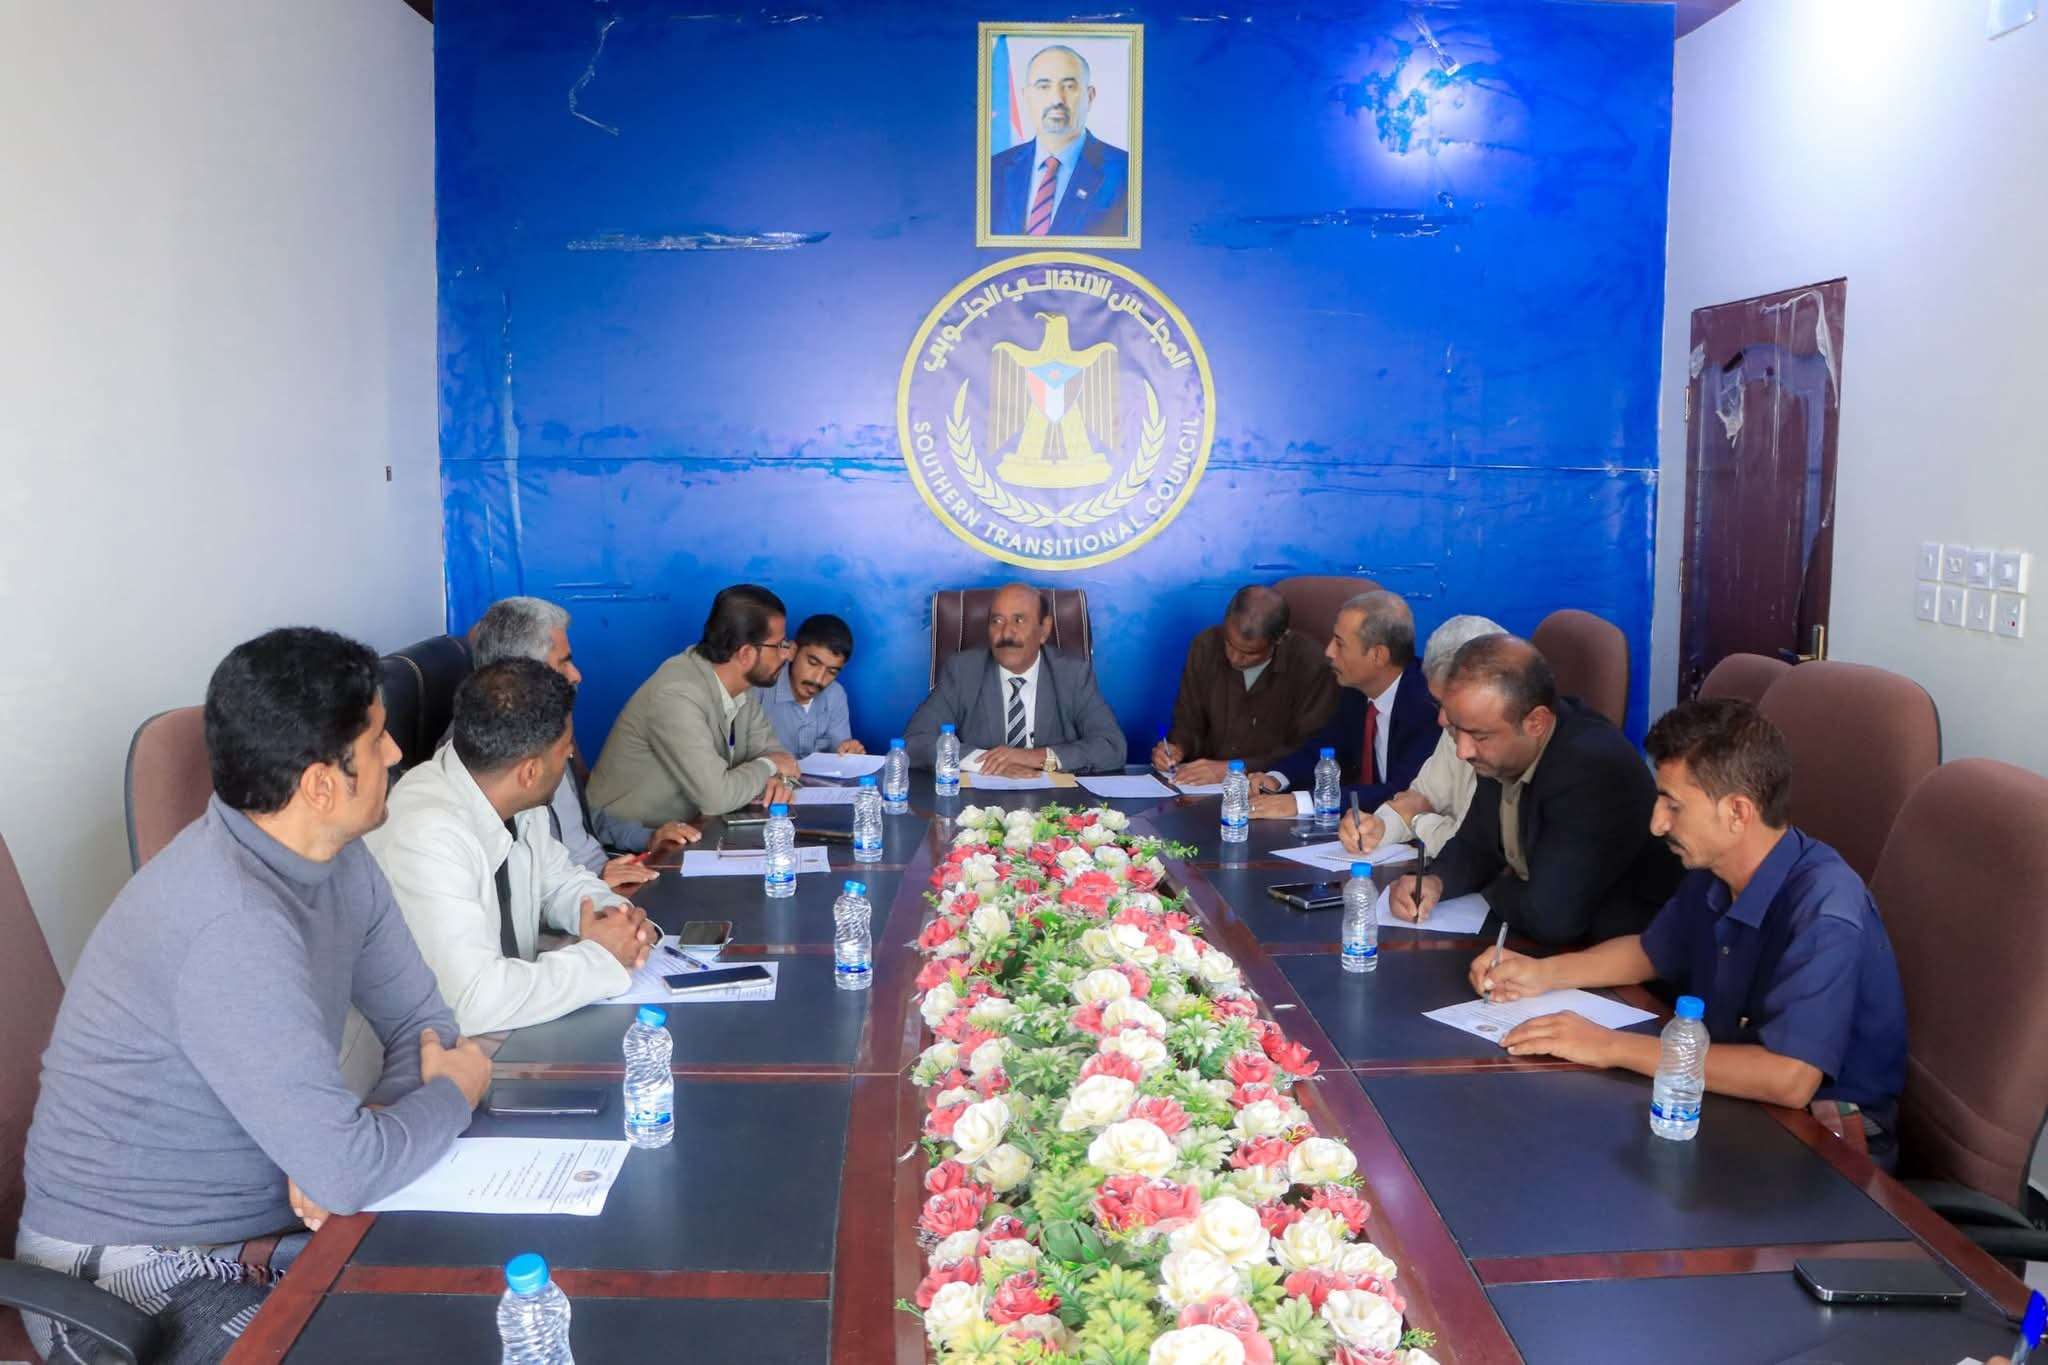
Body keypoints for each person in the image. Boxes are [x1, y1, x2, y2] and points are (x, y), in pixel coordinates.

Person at [17, 628, 488, 1363]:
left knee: (473, 1304)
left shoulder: (339, 860)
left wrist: (358, 1136)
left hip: (262, 1233)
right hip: (126, 1274)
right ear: (321, 786)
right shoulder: (230, 924)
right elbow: (365, 1154)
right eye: (377, 739)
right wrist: (451, 1095)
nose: (397, 752)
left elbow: (424, 1026)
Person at [1469, 699, 1908, 1156]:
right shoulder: (1717, 868)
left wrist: (1609, 1046)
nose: (1657, 824)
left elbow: (1790, 1078)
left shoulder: (1824, 908)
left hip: (1821, 1140)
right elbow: (1651, 951)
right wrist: (1542, 973)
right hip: (1722, 1090)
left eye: (1673, 805)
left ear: (1738, 812)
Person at [368, 659, 661, 1036]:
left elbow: (561, 882)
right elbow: (473, 1001)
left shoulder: (510, 793)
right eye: (566, 749)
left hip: (514, 1026)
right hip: (448, 1047)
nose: (571, 757)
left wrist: (619, 921)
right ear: (530, 772)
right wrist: (602, 957)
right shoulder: (425, 834)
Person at [1390, 634, 1680, 945]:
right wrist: (1435, 882)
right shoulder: (1500, 747)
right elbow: (1476, 845)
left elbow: (1551, 917)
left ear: (1536, 723)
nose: (1463, 751)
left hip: (1619, 952)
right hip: (1544, 941)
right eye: (1455, 729)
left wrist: (1496, 881)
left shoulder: (1591, 769)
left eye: (1479, 736)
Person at [469, 596, 699, 891]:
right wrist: (596, 885)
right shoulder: (488, 754)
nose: (576, 675)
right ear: (524, 671)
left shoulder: (549, 729)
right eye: (564, 662)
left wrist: (648, 838)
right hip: (578, 899)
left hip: (601, 881)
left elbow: (583, 819)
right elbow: (520, 891)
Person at [587, 584, 801, 824]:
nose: (787, 654)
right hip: (626, 837)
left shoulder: (742, 687)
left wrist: (777, 780)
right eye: (780, 645)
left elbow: (780, 758)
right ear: (746, 654)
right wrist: (768, 767)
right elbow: (717, 798)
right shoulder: (676, 695)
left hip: (691, 829)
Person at [1250, 590, 1438, 820]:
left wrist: (1301, 802)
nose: (1329, 652)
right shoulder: (1355, 690)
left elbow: (1403, 792)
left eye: (1339, 644)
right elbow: (1324, 748)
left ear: (1378, 655)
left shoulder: (1426, 706)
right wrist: (1277, 778)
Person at [904, 581, 1126, 775]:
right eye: (997, 621)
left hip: (1054, 802)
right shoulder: (963, 671)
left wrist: (1035, 757)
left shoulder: (1071, 674)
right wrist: (987, 762)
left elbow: (1111, 747)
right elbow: (915, 742)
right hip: (977, 802)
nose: (1006, 633)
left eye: (1019, 620)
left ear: (1044, 629)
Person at [1336, 614, 1506, 857]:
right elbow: (1418, 797)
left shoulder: (1511, 743)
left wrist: (1418, 820)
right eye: (1438, 704)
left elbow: (1473, 846)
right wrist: (1378, 826)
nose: (1442, 719)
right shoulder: (1452, 729)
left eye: (1454, 707)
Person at [1150, 585, 1338, 787]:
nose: (1235, 658)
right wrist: (1177, 748)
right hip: (1201, 788)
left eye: (1249, 653)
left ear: (1280, 639)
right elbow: (1188, 722)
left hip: (1270, 791)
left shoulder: (1311, 665)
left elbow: (1307, 751)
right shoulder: (1205, 645)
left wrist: (1236, 768)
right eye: (1229, 644)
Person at [988, 44, 1130, 238]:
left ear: (1089, 97)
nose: (1057, 99)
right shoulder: (992, 170)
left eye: (1069, 86)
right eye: (1043, 86)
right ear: (1026, 97)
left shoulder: (1128, 173)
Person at [754, 613, 863, 758]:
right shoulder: (760, 687)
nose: (819, 679)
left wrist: (849, 751)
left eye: (831, 672)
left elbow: (840, 753)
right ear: (792, 651)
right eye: (813, 663)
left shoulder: (835, 695)